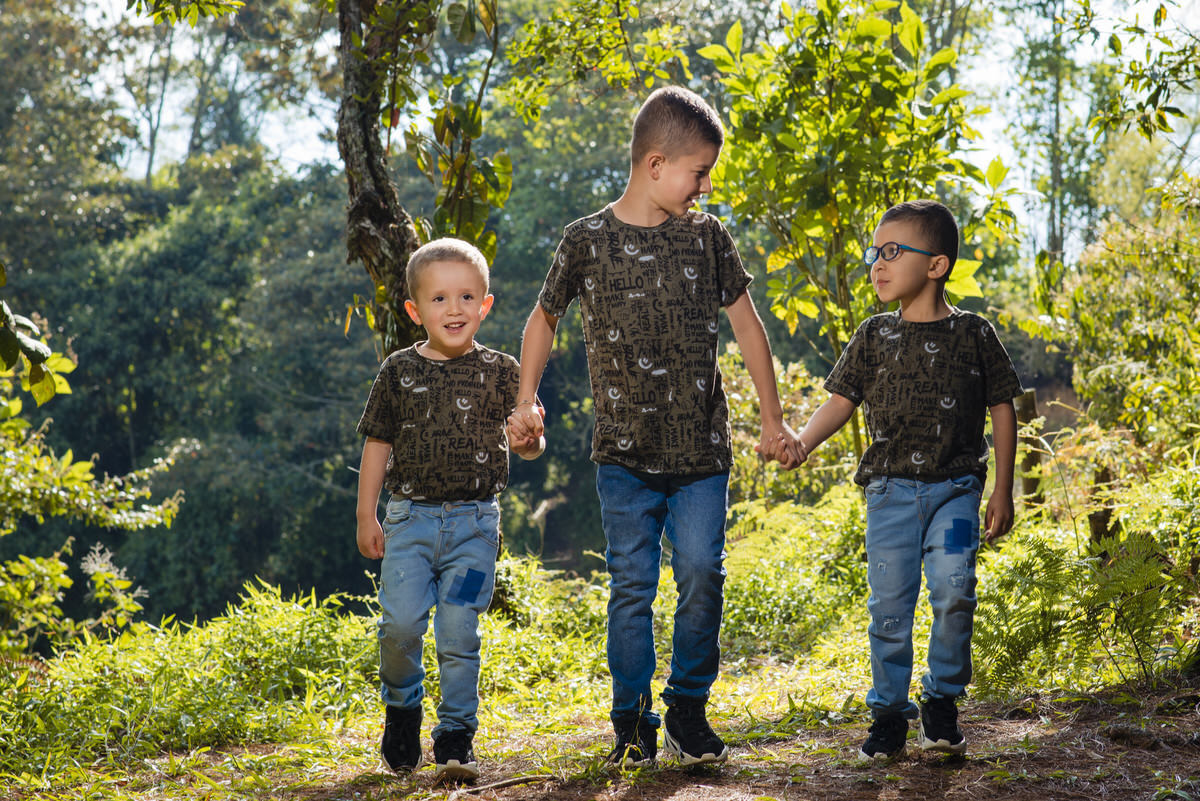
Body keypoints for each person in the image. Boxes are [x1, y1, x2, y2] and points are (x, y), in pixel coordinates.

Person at [507, 85, 799, 768]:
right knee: (632, 588)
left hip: (701, 454)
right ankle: (632, 719)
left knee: (700, 573)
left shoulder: (707, 237)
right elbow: (543, 317)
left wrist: (773, 417)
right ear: (656, 164)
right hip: (623, 457)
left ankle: (688, 708)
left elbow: (748, 326)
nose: (705, 187)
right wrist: (525, 399)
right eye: (700, 172)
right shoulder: (584, 241)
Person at [767, 199, 1023, 760]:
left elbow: (1003, 408)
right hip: (888, 495)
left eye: (891, 252)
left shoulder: (974, 333)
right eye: (873, 253)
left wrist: (1003, 488)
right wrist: (802, 442)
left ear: (936, 265)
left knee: (955, 591)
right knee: (889, 609)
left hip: (958, 492)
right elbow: (840, 402)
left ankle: (942, 706)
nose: (877, 264)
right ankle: (888, 716)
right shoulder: (873, 335)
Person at [355, 238, 543, 781]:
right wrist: (367, 515)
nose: (454, 309)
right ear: (415, 311)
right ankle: (402, 709)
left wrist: (530, 438)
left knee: (460, 632)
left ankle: (457, 734)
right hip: (408, 522)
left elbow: (529, 444)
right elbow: (376, 445)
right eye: (438, 299)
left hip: (475, 527)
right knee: (400, 626)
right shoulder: (397, 371)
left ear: (485, 304)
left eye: (466, 297)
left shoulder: (504, 371)